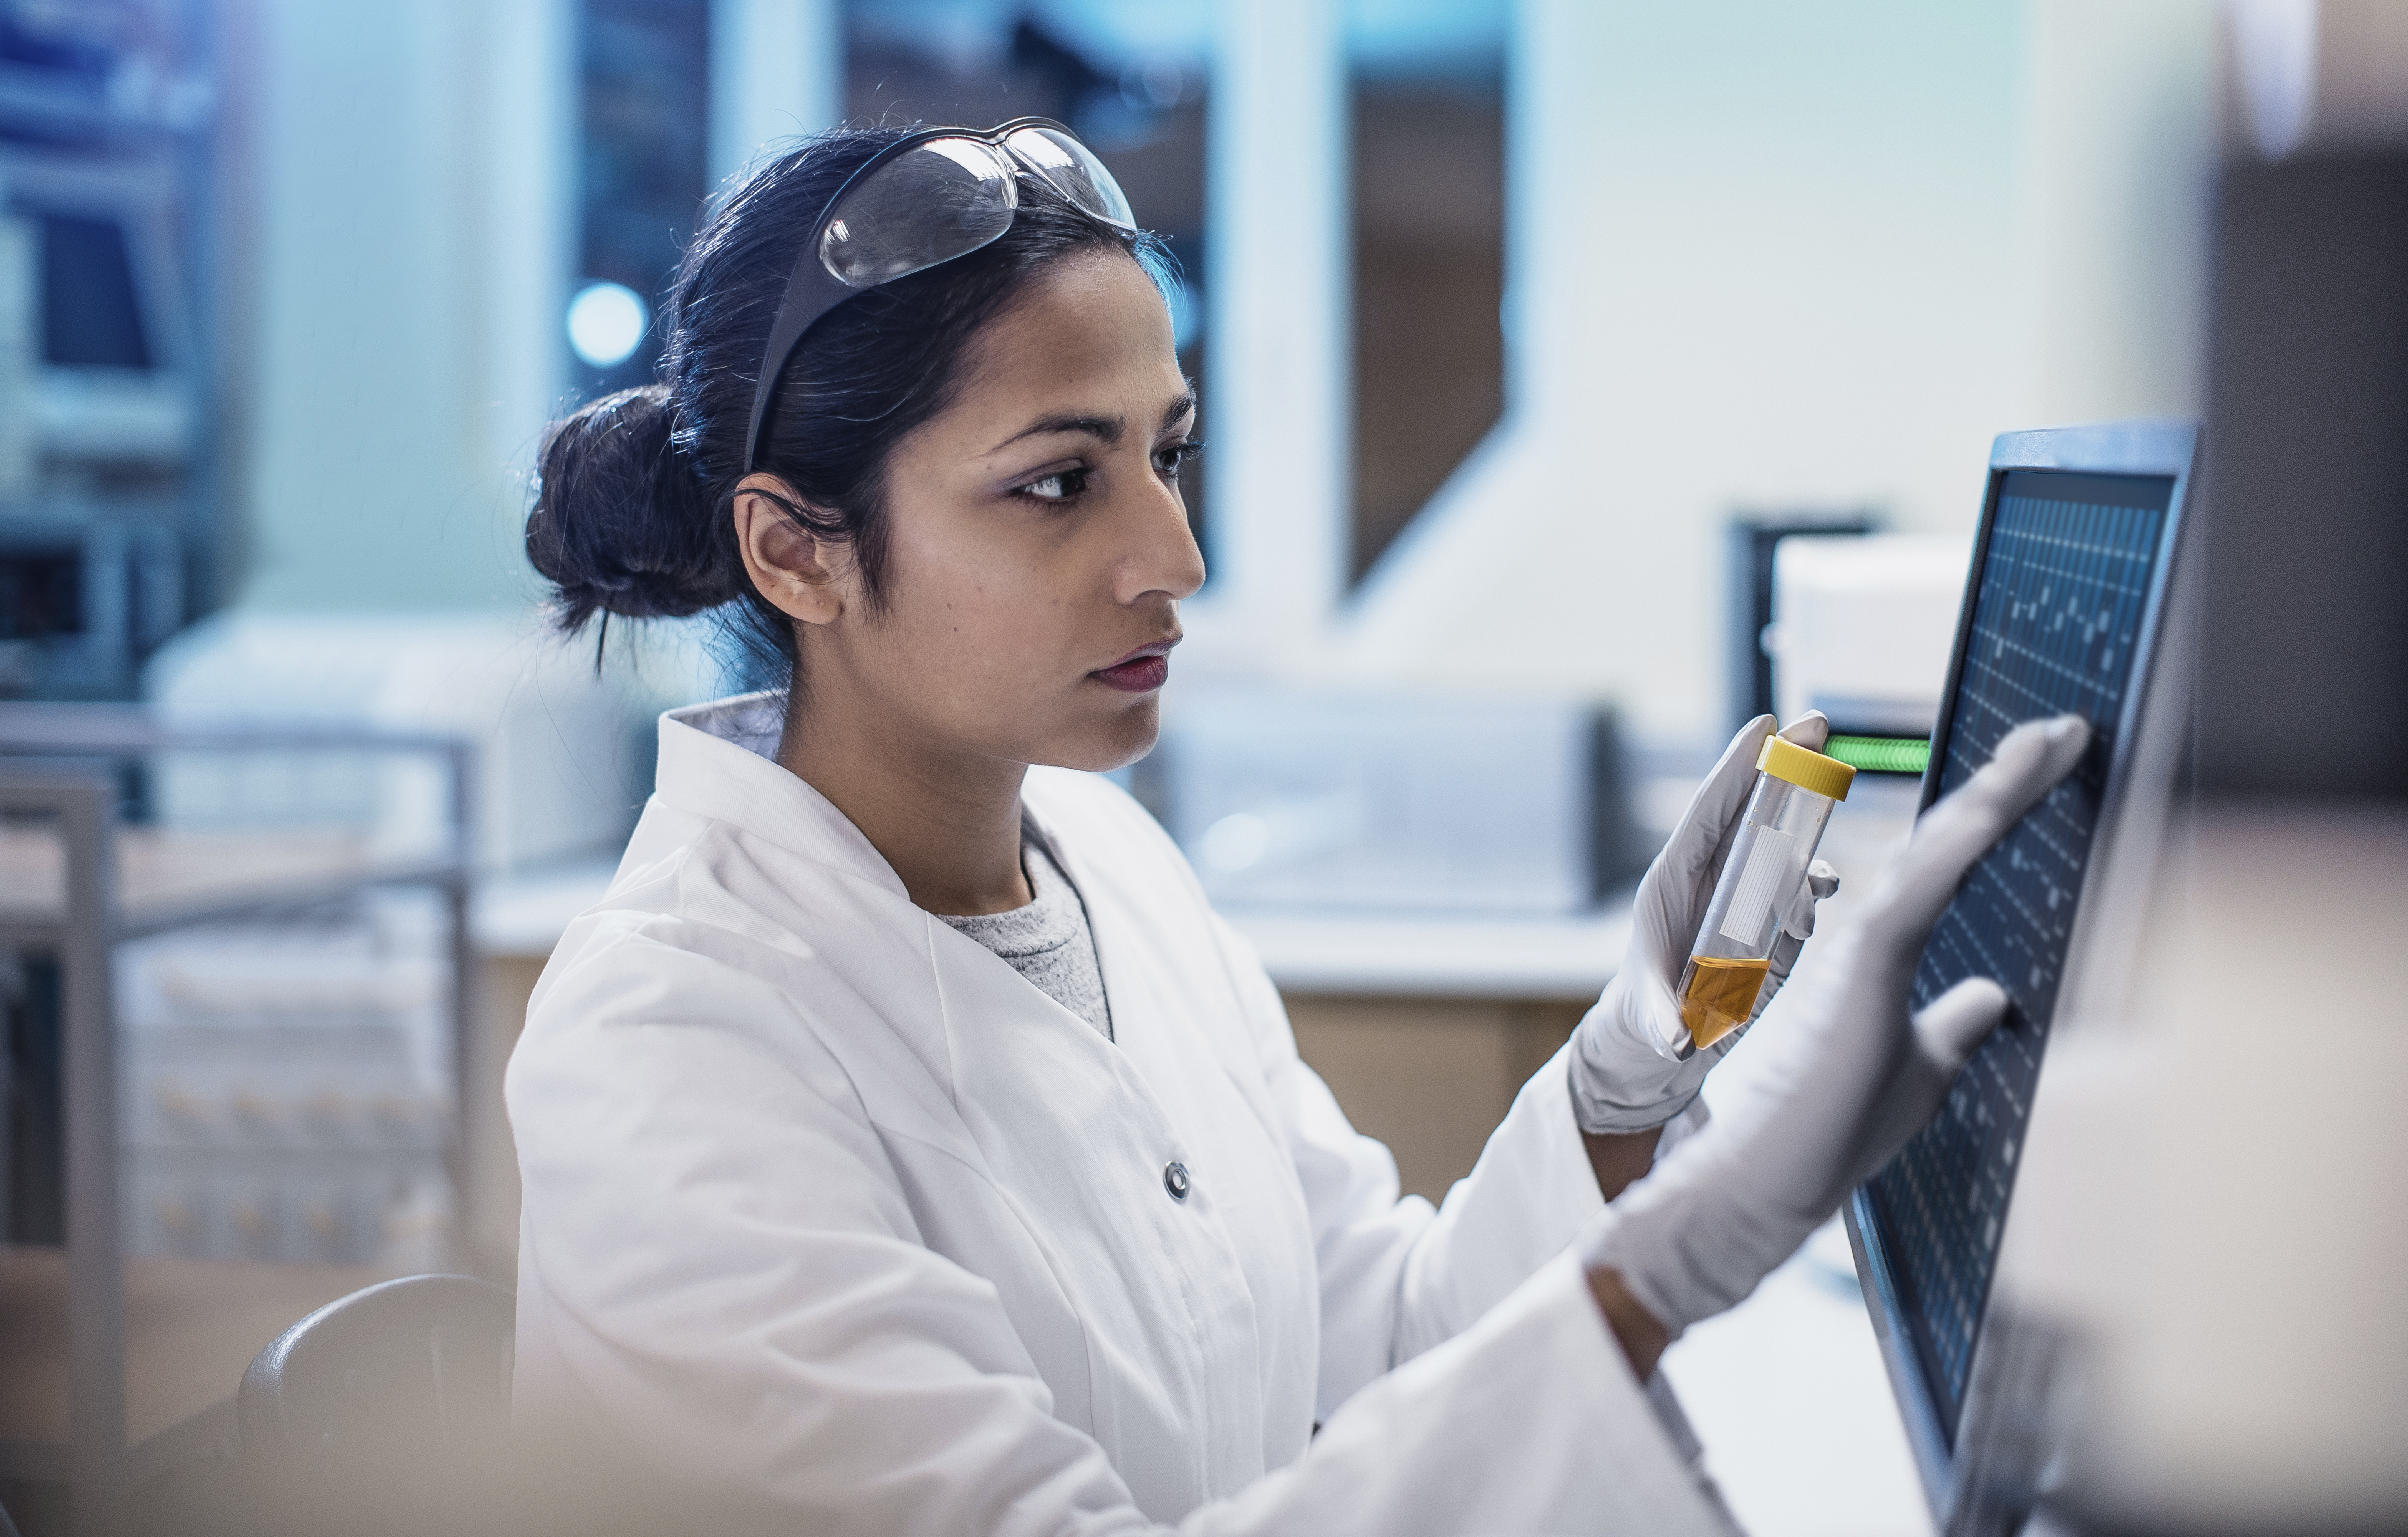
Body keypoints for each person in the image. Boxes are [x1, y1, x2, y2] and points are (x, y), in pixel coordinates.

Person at [509, 121, 2088, 1534]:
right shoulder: (671, 1039)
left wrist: (1634, 1067)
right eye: (1059, 482)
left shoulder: (1109, 863)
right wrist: (1664, 1271)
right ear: (795, 551)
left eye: (1167, 451)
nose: (1173, 553)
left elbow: (1391, 1341)